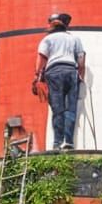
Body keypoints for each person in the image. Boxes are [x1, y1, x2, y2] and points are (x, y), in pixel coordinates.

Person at [33, 12, 86, 151]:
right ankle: (68, 141)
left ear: (52, 26)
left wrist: (37, 75)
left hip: (54, 72)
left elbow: (41, 58)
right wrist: (81, 76)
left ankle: (57, 142)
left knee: (58, 109)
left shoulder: (47, 39)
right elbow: (81, 59)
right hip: (70, 71)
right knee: (71, 109)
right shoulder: (74, 39)